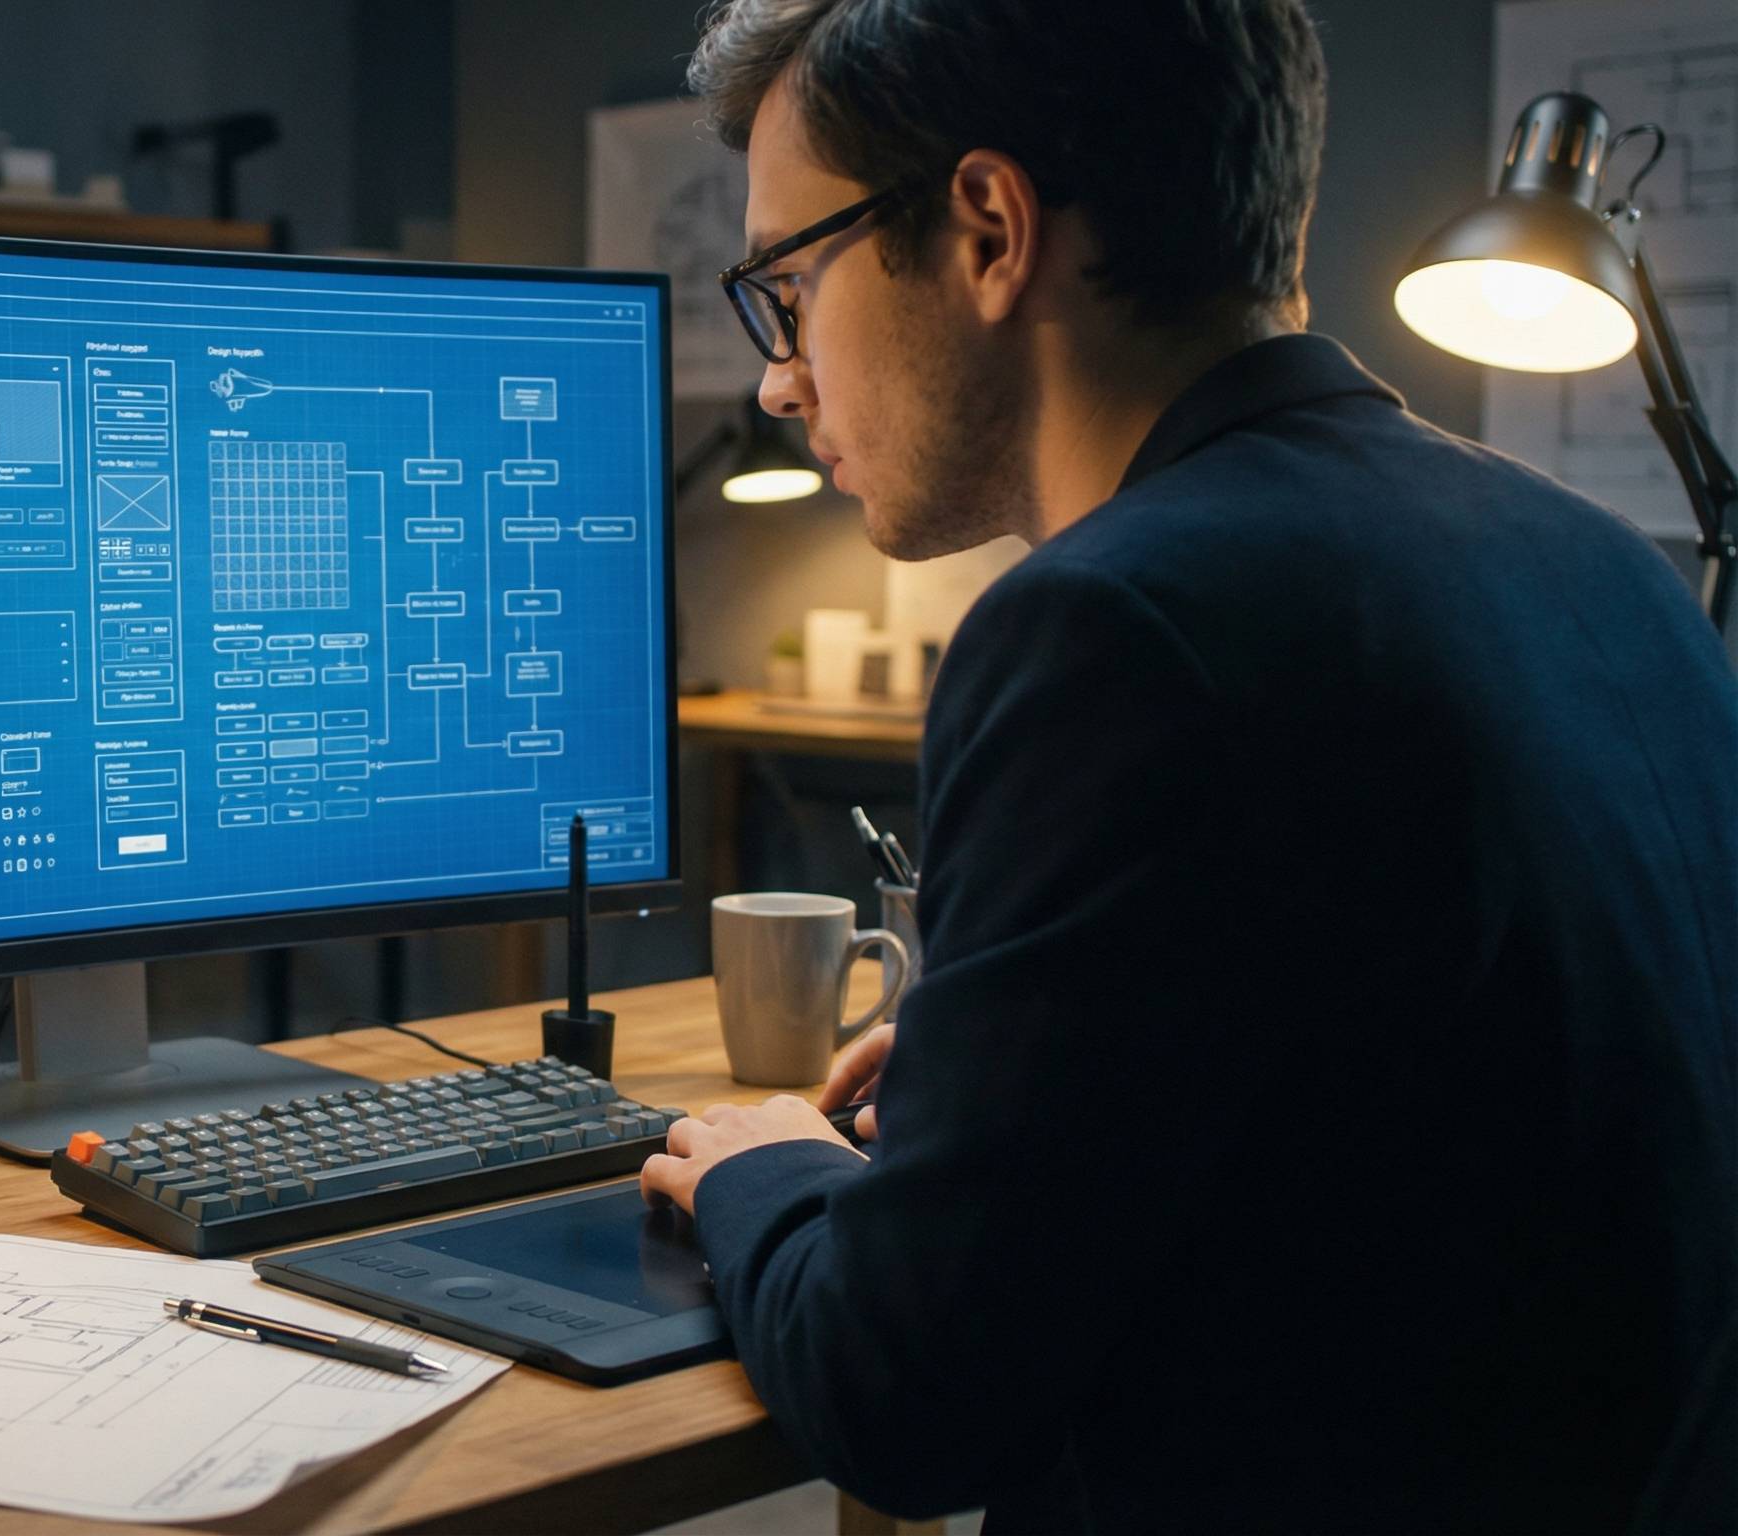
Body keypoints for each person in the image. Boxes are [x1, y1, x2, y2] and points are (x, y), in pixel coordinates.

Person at [636, 2, 1738, 1530]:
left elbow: (904, 1402)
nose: (779, 378)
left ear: (988, 229)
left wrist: (763, 1166)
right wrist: (996, 1078)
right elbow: (1401, 1104)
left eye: (790, 285)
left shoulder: (1113, 628)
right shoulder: (1607, 568)